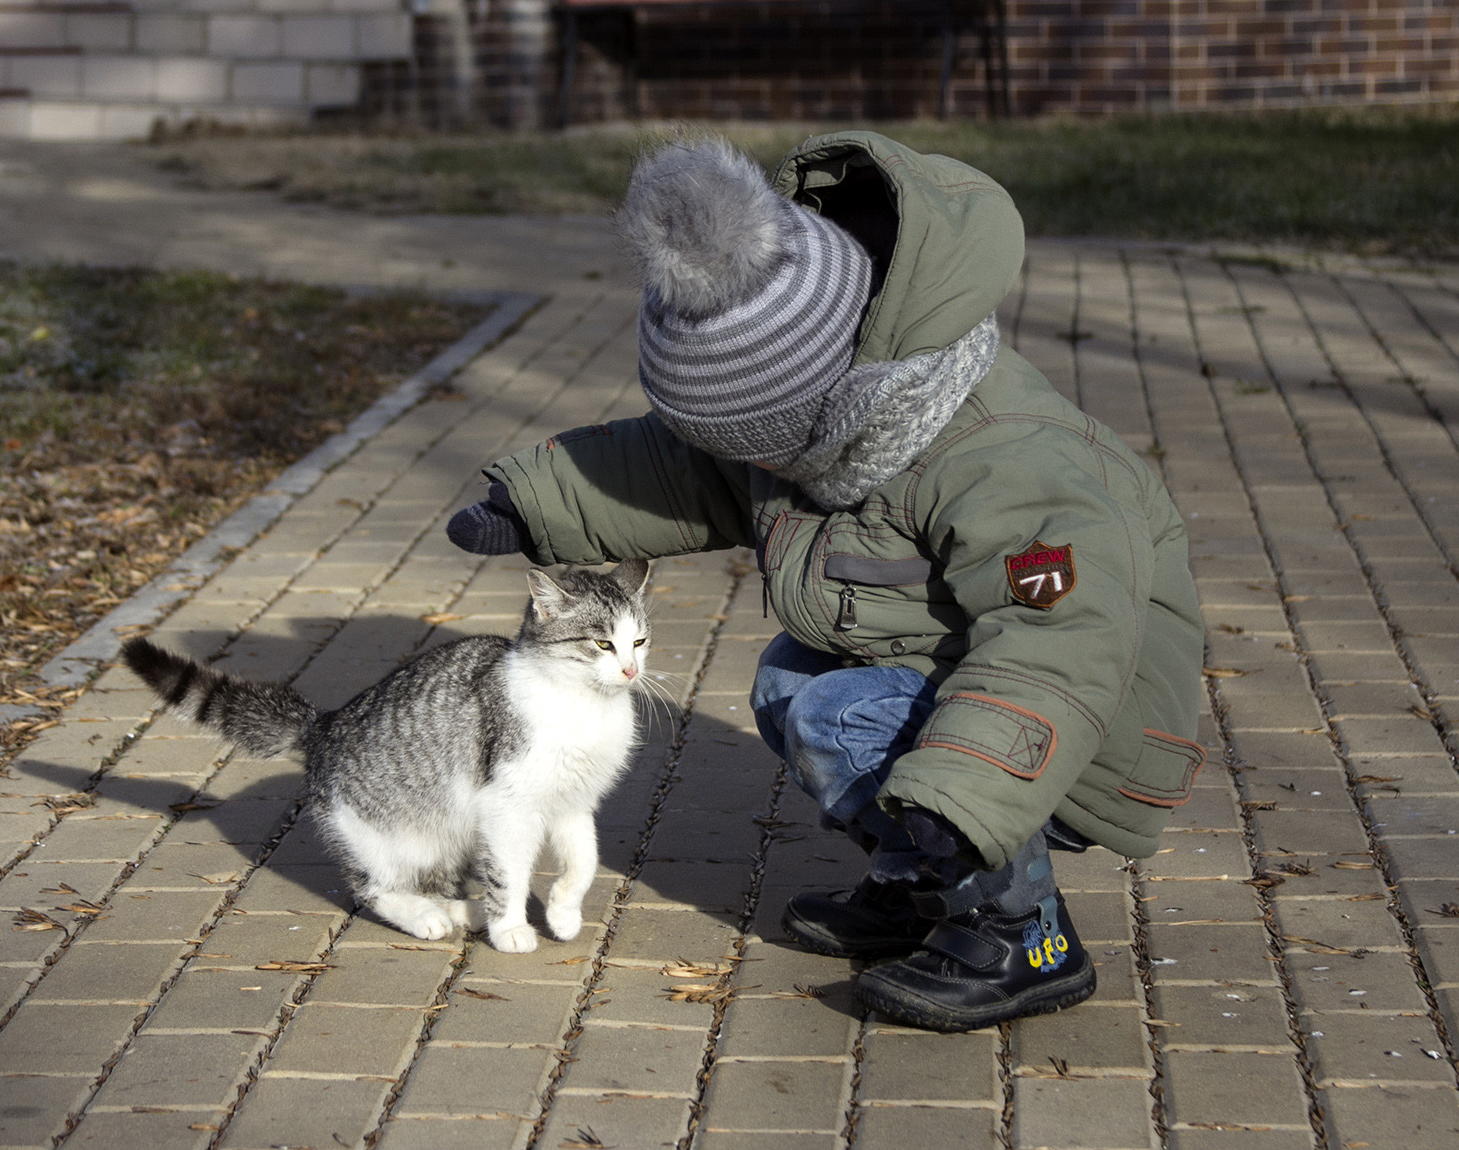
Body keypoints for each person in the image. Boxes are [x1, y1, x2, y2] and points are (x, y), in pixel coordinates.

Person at [445, 132, 1205, 1033]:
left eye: (754, 445)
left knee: (832, 711)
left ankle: (1020, 930)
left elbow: (1060, 643)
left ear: (822, 406)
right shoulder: (826, 411)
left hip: (1082, 725)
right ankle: (922, 889)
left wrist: (964, 796)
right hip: (981, 686)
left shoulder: (1005, 458)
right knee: (788, 680)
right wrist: (536, 503)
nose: (748, 467)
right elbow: (682, 473)